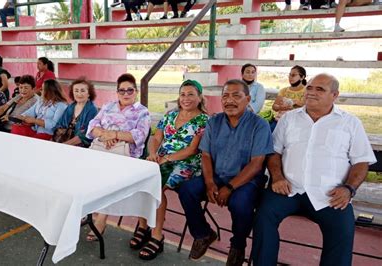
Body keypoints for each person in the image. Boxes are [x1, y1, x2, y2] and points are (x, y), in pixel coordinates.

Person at [250, 73, 377, 266]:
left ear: (335, 95)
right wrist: (276, 177)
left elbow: (361, 162)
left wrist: (349, 189)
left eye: (320, 89)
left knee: (343, 229)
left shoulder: (350, 123)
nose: (311, 92)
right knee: (263, 217)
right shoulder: (289, 119)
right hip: (288, 189)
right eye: (309, 87)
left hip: (329, 194)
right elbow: (273, 152)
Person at [178, 79, 273, 265]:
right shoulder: (214, 121)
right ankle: (203, 234)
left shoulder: (259, 125)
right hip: (217, 176)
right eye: (225, 96)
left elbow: (256, 164)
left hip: (247, 180)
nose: (230, 100)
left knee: (240, 203)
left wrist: (229, 187)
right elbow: (205, 155)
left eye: (236, 96)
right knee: (186, 189)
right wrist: (210, 183)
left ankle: (238, 245)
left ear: (248, 99)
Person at [134, 80, 208, 260]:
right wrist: (152, 154)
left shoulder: (204, 120)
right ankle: (142, 225)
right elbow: (156, 137)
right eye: (183, 94)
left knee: (156, 188)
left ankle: (157, 236)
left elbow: (192, 150)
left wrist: (165, 158)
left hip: (186, 163)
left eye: (191, 94)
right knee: (138, 180)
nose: (186, 98)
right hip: (159, 159)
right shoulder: (170, 115)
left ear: (199, 98)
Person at [85, 73, 151, 241]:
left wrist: (115, 134)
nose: (125, 94)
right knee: (86, 170)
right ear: (117, 92)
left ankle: (101, 218)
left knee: (108, 176)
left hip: (126, 156)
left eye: (130, 90)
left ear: (135, 92)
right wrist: (105, 135)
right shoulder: (108, 106)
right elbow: (93, 125)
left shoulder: (142, 112)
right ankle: (86, 209)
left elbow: (140, 135)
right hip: (102, 148)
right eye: (122, 90)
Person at [54, 77, 98, 147]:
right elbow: (60, 124)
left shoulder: (92, 109)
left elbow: (85, 135)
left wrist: (64, 145)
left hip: (80, 146)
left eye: (82, 91)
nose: (79, 94)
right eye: (76, 91)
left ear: (89, 93)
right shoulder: (71, 106)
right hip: (64, 141)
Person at [270, 65, 306, 131]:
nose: (290, 77)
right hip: (280, 121)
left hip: (297, 123)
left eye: (293, 75)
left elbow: (308, 106)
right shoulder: (284, 90)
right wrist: (280, 107)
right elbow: (274, 107)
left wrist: (296, 102)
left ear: (302, 77)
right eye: (289, 75)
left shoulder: (306, 91)